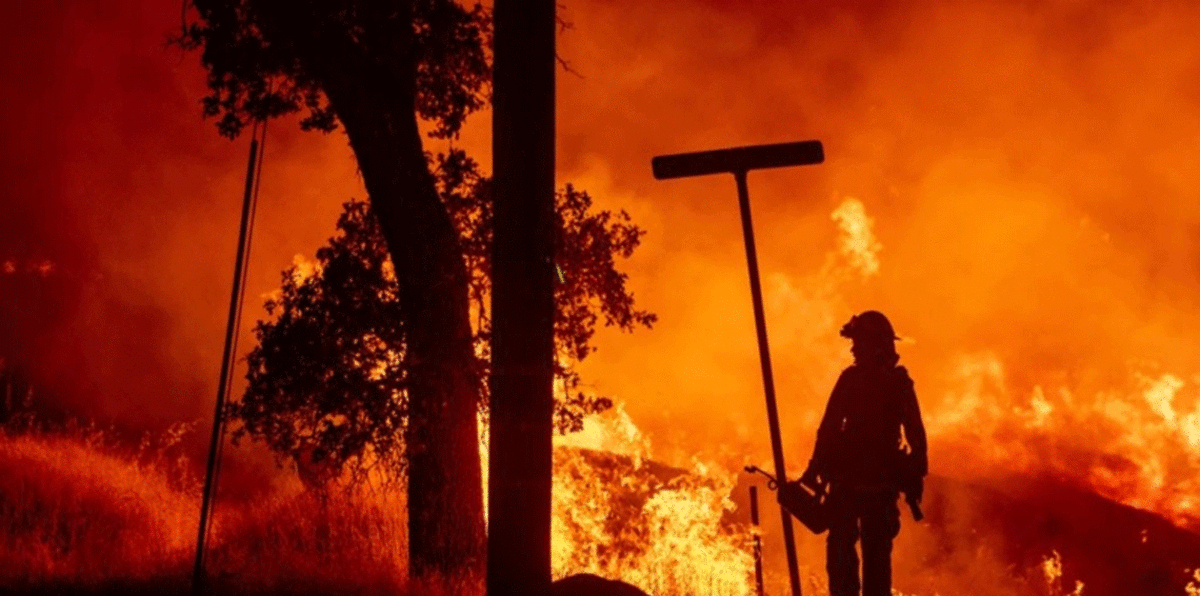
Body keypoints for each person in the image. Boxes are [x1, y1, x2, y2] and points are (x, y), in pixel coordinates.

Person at [799, 310, 927, 596]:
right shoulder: (894, 383)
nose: (854, 348)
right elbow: (917, 439)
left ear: (875, 344)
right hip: (865, 486)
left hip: (857, 486)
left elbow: (829, 429)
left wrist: (815, 468)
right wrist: (916, 476)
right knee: (870, 557)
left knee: (850, 554)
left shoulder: (861, 381)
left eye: (859, 342)